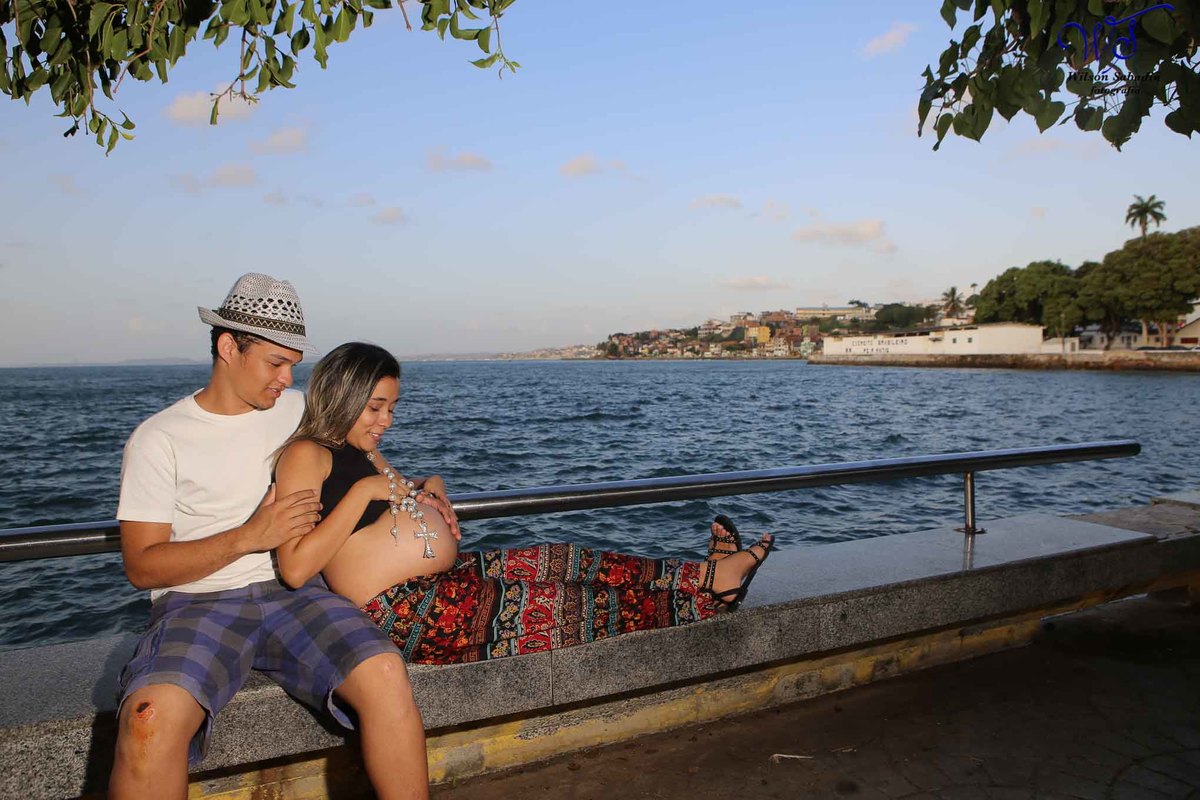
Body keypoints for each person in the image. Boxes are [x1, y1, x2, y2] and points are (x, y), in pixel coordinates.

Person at [110, 276, 429, 800]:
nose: (287, 379)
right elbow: (142, 566)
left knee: (386, 674)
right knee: (149, 720)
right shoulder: (158, 439)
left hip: (298, 596)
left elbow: (371, 464)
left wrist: (422, 486)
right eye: (276, 363)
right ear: (228, 347)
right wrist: (247, 537)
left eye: (293, 365)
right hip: (198, 602)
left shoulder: (303, 410)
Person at [273, 342, 774, 664]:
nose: (386, 420)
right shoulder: (306, 454)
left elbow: (394, 494)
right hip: (405, 612)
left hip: (437, 581)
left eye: (392, 408)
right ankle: (708, 600)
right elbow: (295, 567)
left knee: (562, 559)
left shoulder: (363, 448)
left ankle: (708, 576)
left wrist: (428, 483)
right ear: (343, 395)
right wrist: (366, 492)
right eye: (375, 407)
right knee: (573, 608)